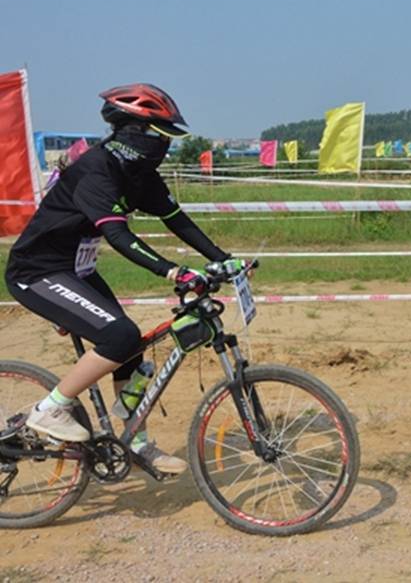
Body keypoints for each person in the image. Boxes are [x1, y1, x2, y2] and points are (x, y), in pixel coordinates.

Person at [5, 83, 248, 474]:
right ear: (134, 131)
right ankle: (51, 409)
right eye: (158, 134)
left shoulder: (140, 172)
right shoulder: (96, 170)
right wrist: (173, 270)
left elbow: (177, 220)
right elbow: (119, 236)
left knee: (129, 348)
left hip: (77, 272)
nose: (163, 145)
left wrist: (223, 259)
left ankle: (135, 444)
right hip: (37, 272)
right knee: (119, 336)